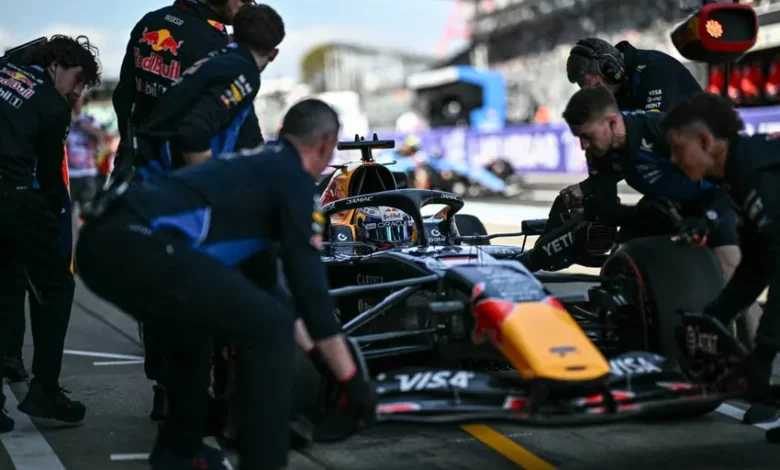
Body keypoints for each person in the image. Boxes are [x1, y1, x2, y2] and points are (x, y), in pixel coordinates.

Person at [76, 98, 376, 470]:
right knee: (269, 328)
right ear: (326, 144)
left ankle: (178, 452)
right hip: (134, 242)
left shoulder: (257, 171)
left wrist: (318, 358)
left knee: (200, 324)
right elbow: (311, 295)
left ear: (283, 132)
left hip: (102, 240)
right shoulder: (293, 180)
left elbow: (274, 291)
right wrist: (352, 382)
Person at [112, 0, 264, 421]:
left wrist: (134, 152)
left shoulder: (149, 24)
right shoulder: (216, 45)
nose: (248, 5)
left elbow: (124, 98)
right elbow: (241, 126)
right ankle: (197, 395)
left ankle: (165, 388)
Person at [526, 86, 762, 345]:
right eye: (578, 138)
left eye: (587, 136)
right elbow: (607, 211)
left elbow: (729, 176)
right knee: (615, 264)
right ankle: (621, 339)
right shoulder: (599, 153)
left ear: (612, 122)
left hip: (712, 200)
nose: (583, 145)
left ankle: (757, 357)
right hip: (661, 206)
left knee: (732, 275)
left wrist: (710, 218)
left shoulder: (661, 130)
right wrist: (637, 213)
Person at [659, 91, 780, 441]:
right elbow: (757, 263)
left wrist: (763, 351)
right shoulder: (741, 174)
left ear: (705, 141)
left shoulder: (758, 174)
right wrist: (716, 315)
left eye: (677, 148)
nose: (673, 159)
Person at [0, 35, 101, 433]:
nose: (76, 92)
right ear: (57, 64)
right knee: (57, 285)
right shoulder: (50, 104)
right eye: (77, 79)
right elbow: (48, 176)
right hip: (11, 193)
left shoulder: (5, 68)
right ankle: (44, 388)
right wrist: (54, 224)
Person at [113, 0, 261, 177]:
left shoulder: (151, 19)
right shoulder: (212, 40)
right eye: (244, 0)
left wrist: (128, 144)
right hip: (176, 171)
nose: (248, 6)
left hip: (134, 162)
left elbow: (123, 95)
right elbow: (242, 120)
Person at [565, 37, 702, 113]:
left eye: (596, 85)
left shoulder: (654, 68)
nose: (597, 94)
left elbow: (653, 129)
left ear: (611, 69)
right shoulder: (614, 93)